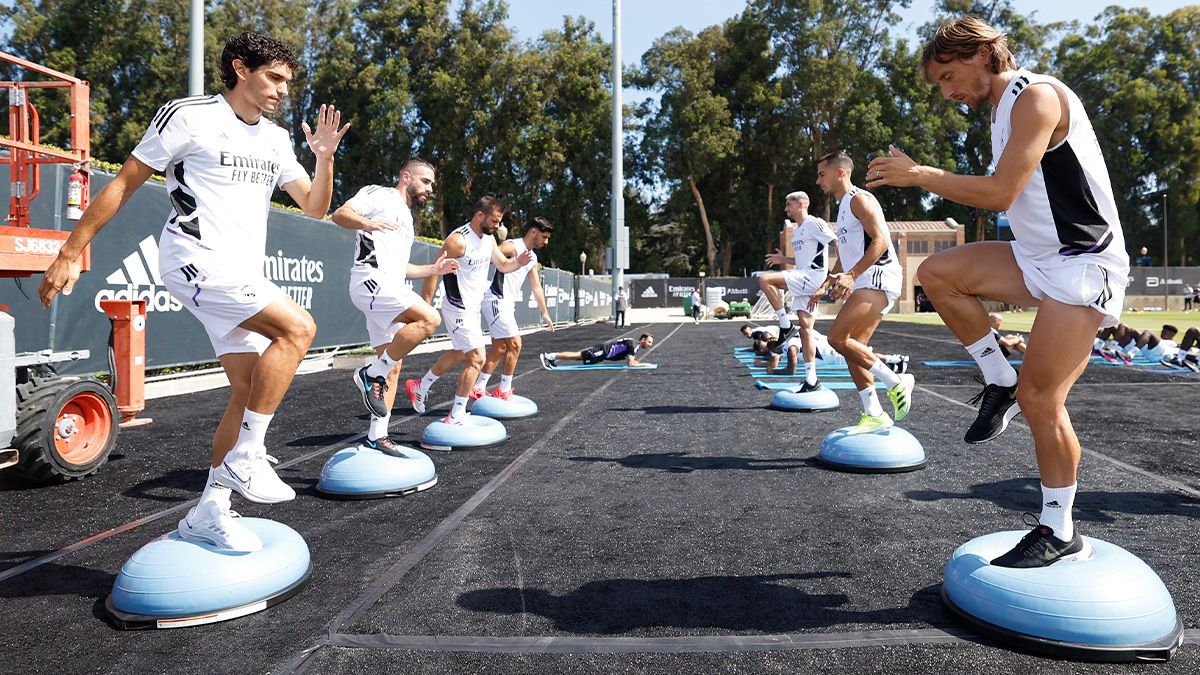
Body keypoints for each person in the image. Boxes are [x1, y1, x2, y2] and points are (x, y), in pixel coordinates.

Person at [38, 32, 349, 552]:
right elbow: (124, 182)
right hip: (194, 261)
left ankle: (210, 510)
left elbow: (314, 207)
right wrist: (71, 252)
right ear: (239, 68)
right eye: (273, 77)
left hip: (241, 273)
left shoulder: (274, 140)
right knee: (299, 328)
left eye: (286, 82)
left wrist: (324, 158)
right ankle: (247, 457)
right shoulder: (189, 115)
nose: (281, 90)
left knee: (249, 388)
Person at [868, 16, 1130, 567]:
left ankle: (1059, 530)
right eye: (939, 83)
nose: (946, 91)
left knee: (1043, 401)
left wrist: (920, 176)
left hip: (1083, 265)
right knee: (937, 275)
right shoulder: (1000, 108)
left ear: (981, 53)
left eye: (947, 75)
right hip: (1038, 258)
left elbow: (1001, 192)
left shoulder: (1036, 97)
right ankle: (997, 376)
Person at [335, 159, 459, 455]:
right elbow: (340, 214)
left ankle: (376, 435)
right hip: (371, 282)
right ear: (406, 177)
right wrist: (367, 222)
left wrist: (433, 270)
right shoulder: (380, 195)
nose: (430, 188)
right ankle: (370, 373)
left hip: (389, 285)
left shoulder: (407, 218)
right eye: (426, 181)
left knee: (393, 366)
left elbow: (401, 267)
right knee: (429, 319)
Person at [406, 196, 533, 425]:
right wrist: (425, 303)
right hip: (457, 308)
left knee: (460, 353)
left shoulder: (489, 239)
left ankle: (420, 385)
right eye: (495, 220)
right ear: (479, 215)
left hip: (473, 309)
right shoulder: (458, 241)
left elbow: (503, 265)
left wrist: (520, 263)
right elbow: (435, 270)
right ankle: (455, 415)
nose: (497, 225)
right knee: (477, 358)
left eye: (500, 221)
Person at [814, 150, 916, 435]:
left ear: (840, 173)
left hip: (878, 277)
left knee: (836, 338)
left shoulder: (859, 198)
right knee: (853, 349)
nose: (818, 180)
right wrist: (829, 281)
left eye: (822, 174)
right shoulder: (843, 206)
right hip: (865, 279)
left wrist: (852, 275)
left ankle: (896, 381)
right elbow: (846, 253)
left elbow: (882, 241)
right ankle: (874, 413)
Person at [758, 190, 836, 392]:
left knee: (765, 280)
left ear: (802, 204)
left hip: (812, 277)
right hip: (803, 274)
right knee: (805, 330)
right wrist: (785, 260)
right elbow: (805, 259)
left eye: (788, 205)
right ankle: (811, 380)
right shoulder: (797, 231)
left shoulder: (814, 223)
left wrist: (829, 281)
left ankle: (784, 326)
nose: (786, 209)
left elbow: (836, 243)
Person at [473, 217, 556, 400]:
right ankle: (504, 390)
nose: (546, 241)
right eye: (544, 237)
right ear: (533, 232)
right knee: (516, 344)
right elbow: (488, 259)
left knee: (500, 349)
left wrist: (545, 312)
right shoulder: (511, 246)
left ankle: (478, 387)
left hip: (506, 305)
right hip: (495, 300)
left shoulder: (532, 258)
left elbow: (536, 287)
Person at [540, 334, 654, 368]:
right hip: (601, 351)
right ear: (643, 340)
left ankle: (552, 357)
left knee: (577, 357)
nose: (650, 344)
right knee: (577, 355)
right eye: (649, 342)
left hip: (602, 352)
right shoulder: (633, 345)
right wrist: (645, 364)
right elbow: (631, 363)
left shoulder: (634, 343)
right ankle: (549, 356)